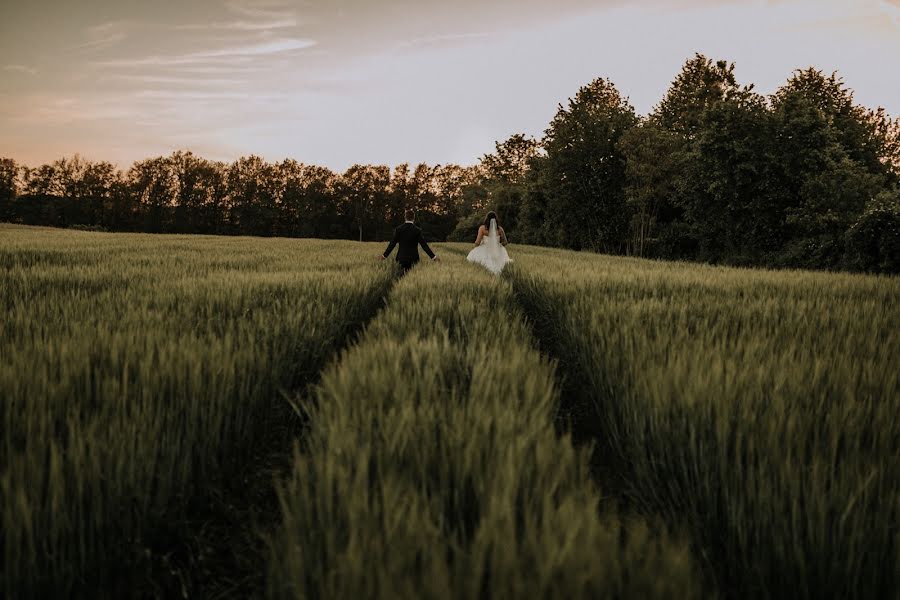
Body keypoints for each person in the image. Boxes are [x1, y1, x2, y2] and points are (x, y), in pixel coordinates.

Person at [380, 208, 439, 273]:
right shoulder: (417, 230)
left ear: (405, 217)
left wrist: (384, 255)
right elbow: (424, 245)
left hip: (401, 258)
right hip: (413, 259)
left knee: (401, 277)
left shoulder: (398, 229)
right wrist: (433, 257)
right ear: (414, 218)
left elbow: (392, 244)